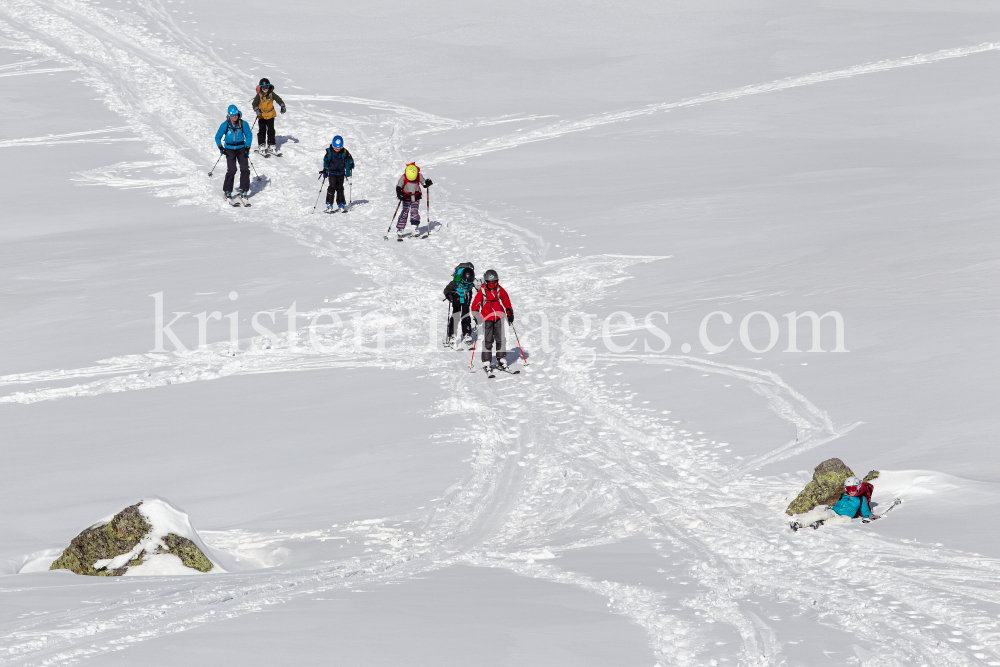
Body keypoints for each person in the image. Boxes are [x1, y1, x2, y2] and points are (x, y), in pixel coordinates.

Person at [471, 269, 514, 373]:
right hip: (487, 318)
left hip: (499, 316)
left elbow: (506, 299)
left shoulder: (499, 289)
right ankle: (487, 362)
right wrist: (476, 315)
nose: (493, 285)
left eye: (494, 282)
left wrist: (509, 311)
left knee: (501, 339)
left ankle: (501, 359)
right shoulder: (482, 291)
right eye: (490, 283)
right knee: (488, 340)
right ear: (486, 282)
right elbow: (475, 304)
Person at [214, 104, 253, 205]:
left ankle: (244, 191)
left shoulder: (243, 124)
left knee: (245, 169)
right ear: (229, 115)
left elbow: (249, 135)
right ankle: (227, 192)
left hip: (241, 148)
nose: (234, 116)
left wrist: (247, 147)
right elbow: (217, 137)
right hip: (229, 149)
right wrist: (221, 147)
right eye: (232, 115)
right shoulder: (225, 125)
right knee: (232, 170)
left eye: (235, 114)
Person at [395, 162, 432, 238]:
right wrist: (399, 193)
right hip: (406, 196)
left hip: (416, 196)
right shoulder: (404, 177)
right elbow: (399, 185)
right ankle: (400, 228)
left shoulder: (418, 175)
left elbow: (423, 183)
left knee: (414, 211)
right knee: (405, 212)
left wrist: (427, 183)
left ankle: (414, 228)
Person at [319, 135, 355, 212]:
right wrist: (325, 169)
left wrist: (351, 164)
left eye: (339, 148)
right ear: (332, 145)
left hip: (341, 173)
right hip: (332, 172)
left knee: (340, 188)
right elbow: (326, 160)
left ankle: (341, 204)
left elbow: (350, 160)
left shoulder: (345, 152)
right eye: (335, 148)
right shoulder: (330, 151)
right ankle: (329, 205)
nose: (337, 150)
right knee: (332, 187)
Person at [443, 263, 476, 347]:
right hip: (456, 297)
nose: (467, 285)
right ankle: (451, 335)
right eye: (465, 283)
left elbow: (479, 286)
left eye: (468, 283)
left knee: (465, 314)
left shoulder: (472, 280)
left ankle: (467, 333)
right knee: (456, 314)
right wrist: (449, 296)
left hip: (466, 297)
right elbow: (446, 290)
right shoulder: (456, 281)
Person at [251, 78, 286, 156]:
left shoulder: (271, 94)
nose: (266, 89)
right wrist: (257, 109)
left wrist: (282, 105)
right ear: (261, 88)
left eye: (267, 87)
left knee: (271, 130)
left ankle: (271, 145)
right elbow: (254, 103)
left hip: (270, 114)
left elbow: (278, 99)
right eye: (263, 88)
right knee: (262, 131)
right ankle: (261, 145)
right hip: (262, 116)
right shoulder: (259, 95)